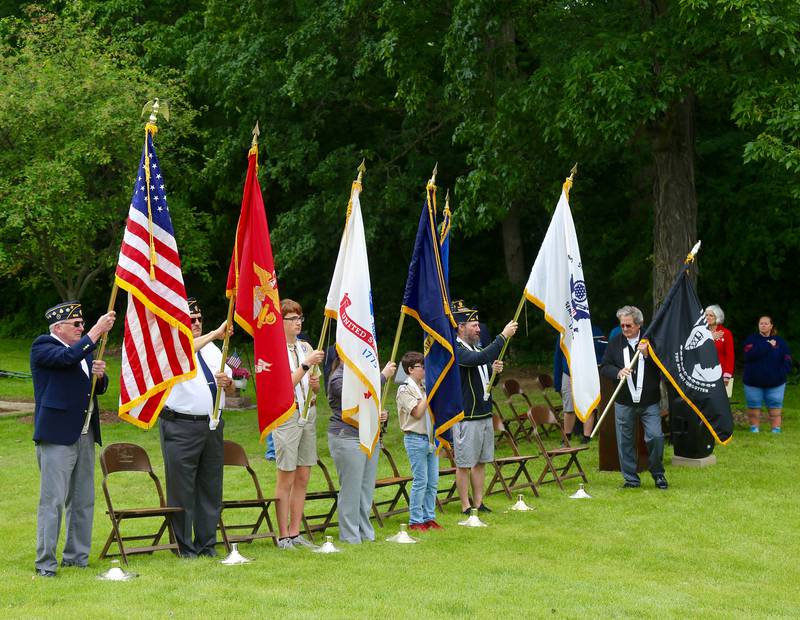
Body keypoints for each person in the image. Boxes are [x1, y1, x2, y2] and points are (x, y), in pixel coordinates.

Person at [31, 301, 116, 577]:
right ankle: (46, 563)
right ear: (58, 327)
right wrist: (95, 332)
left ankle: (76, 558)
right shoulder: (44, 346)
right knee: (53, 501)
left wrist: (100, 377)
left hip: (85, 432)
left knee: (83, 500)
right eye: (76, 324)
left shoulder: (84, 351)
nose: (81, 328)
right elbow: (65, 360)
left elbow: (94, 388)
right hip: (57, 435)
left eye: (82, 324)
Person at [160, 297, 233, 558]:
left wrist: (228, 383)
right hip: (181, 426)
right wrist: (216, 332)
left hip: (212, 425)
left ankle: (207, 543)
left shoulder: (214, 350)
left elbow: (234, 384)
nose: (198, 323)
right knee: (182, 488)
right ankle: (183, 547)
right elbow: (186, 353)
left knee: (210, 486)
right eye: (192, 320)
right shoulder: (173, 348)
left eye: (200, 319)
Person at [452, 300, 517, 513]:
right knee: (464, 463)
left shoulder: (473, 347)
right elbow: (478, 359)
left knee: (481, 461)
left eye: (478, 325)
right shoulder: (456, 349)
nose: (479, 329)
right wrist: (503, 336)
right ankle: (465, 505)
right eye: (474, 325)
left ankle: (479, 503)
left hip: (484, 412)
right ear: (461, 327)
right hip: (467, 415)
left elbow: (486, 380)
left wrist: (494, 373)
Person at [327, 348, 395, 543]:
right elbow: (356, 398)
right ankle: (349, 536)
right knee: (351, 489)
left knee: (365, 489)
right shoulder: (337, 378)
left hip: (368, 435)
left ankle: (365, 533)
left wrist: (382, 414)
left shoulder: (364, 378)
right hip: (347, 436)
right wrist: (382, 376)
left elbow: (369, 403)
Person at [272, 299, 325, 549]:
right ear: (280, 322)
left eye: (300, 318)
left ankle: (295, 532)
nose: (298, 323)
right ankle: (282, 535)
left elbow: (315, 384)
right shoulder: (274, 350)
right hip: (287, 414)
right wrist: (305, 366)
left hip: (309, 412)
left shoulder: (305, 346)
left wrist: (315, 385)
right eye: (292, 319)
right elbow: (280, 387)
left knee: (304, 475)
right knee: (287, 476)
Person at [600, 305, 667, 490]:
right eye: (622, 325)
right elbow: (605, 366)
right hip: (624, 401)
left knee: (655, 437)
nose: (625, 329)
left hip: (649, 402)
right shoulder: (615, 342)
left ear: (639, 325)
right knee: (625, 442)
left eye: (628, 326)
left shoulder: (651, 339)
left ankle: (658, 474)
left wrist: (648, 355)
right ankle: (631, 479)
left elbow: (664, 364)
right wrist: (617, 371)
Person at [396, 351, 441, 532]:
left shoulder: (423, 387)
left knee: (433, 481)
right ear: (410, 369)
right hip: (415, 438)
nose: (424, 370)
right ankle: (416, 519)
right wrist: (429, 392)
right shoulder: (405, 389)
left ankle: (429, 516)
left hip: (431, 438)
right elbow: (417, 412)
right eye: (421, 367)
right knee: (420, 481)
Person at [742, 315, 792, 433]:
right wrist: (768, 345)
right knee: (753, 408)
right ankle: (754, 429)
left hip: (776, 383)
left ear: (771, 325)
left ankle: (776, 430)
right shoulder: (751, 340)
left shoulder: (780, 342)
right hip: (753, 382)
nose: (763, 325)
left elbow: (787, 359)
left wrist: (781, 373)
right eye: (761, 323)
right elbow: (749, 356)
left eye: (765, 323)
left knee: (775, 408)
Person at [704, 304, 735, 398]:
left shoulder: (726, 333)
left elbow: (730, 355)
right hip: (702, 372)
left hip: (719, 373)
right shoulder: (701, 332)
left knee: (719, 401)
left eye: (711, 315)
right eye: (706, 315)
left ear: (717, 317)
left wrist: (727, 374)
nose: (707, 317)